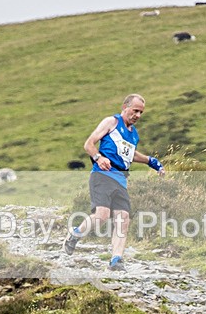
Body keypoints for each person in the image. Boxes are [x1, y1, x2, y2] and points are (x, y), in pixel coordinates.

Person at [63, 93, 165, 271]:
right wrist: (98, 157)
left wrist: (152, 162)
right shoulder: (111, 122)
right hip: (102, 175)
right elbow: (89, 144)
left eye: (141, 112)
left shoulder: (134, 135)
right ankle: (75, 234)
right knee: (102, 215)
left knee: (123, 219)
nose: (138, 116)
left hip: (121, 179)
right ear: (125, 107)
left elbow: (130, 154)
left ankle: (116, 260)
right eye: (135, 111)